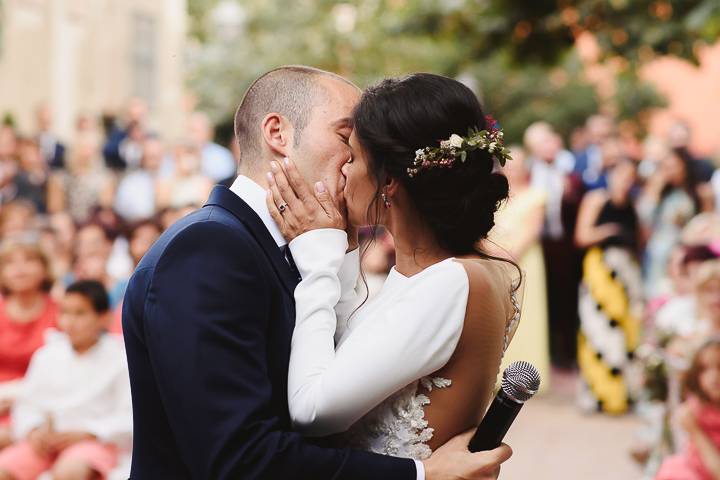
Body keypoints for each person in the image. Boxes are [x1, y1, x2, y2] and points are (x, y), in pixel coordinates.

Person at [123, 66, 511, 480]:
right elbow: (239, 457)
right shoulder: (207, 250)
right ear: (278, 134)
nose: (353, 162)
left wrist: (333, 247)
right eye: (346, 138)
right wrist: (420, 475)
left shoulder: (306, 247)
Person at [266, 73, 519, 458]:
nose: (343, 171)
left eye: (352, 157)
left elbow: (311, 410)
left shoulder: (452, 283)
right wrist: (345, 244)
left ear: (389, 181)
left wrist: (316, 259)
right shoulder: (453, 270)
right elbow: (356, 345)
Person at [0, 280, 132, 480]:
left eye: (80, 313)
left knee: (69, 472)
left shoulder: (121, 359)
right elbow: (28, 403)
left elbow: (129, 416)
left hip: (95, 441)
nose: (69, 321)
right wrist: (34, 430)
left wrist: (90, 432)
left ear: (104, 317)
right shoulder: (46, 355)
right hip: (46, 442)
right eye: (64, 312)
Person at [574, 160, 644, 414]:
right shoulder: (596, 199)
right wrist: (608, 231)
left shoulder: (633, 206)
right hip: (601, 271)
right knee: (599, 330)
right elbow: (581, 236)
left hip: (626, 271)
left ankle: (624, 394)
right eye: (621, 175)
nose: (626, 181)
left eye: (630, 177)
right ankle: (598, 394)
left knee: (626, 331)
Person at [490, 146, 550, 391]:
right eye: (509, 164)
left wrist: (506, 255)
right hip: (495, 259)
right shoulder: (496, 196)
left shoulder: (536, 195)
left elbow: (532, 232)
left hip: (523, 260)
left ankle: (524, 375)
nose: (513, 169)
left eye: (518, 164)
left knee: (524, 312)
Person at [0, 239, 57, 451]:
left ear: (44, 268)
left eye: (29, 260)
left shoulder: (62, 312)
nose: (19, 269)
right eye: (10, 263)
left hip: (41, 407)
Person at [640, 148, 702, 298]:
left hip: (682, 257)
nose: (669, 171)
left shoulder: (696, 194)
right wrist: (656, 187)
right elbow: (644, 216)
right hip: (657, 255)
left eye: (673, 166)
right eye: (665, 167)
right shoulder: (660, 194)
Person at [656, 337, 720, 480]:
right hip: (691, 469)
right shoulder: (697, 406)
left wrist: (695, 431)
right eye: (704, 369)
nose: (714, 377)